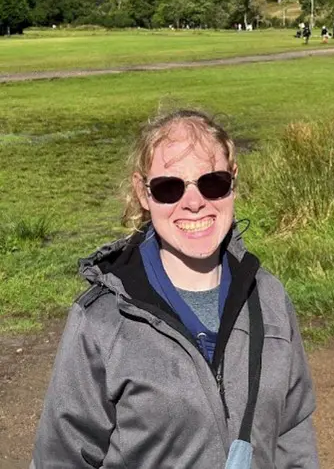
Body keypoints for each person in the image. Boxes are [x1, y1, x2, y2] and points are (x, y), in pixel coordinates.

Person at [30, 110, 319, 469]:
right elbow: (61, 458)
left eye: (211, 182)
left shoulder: (270, 298)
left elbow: (293, 432)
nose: (194, 202)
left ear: (233, 180)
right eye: (170, 188)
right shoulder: (102, 320)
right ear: (143, 192)